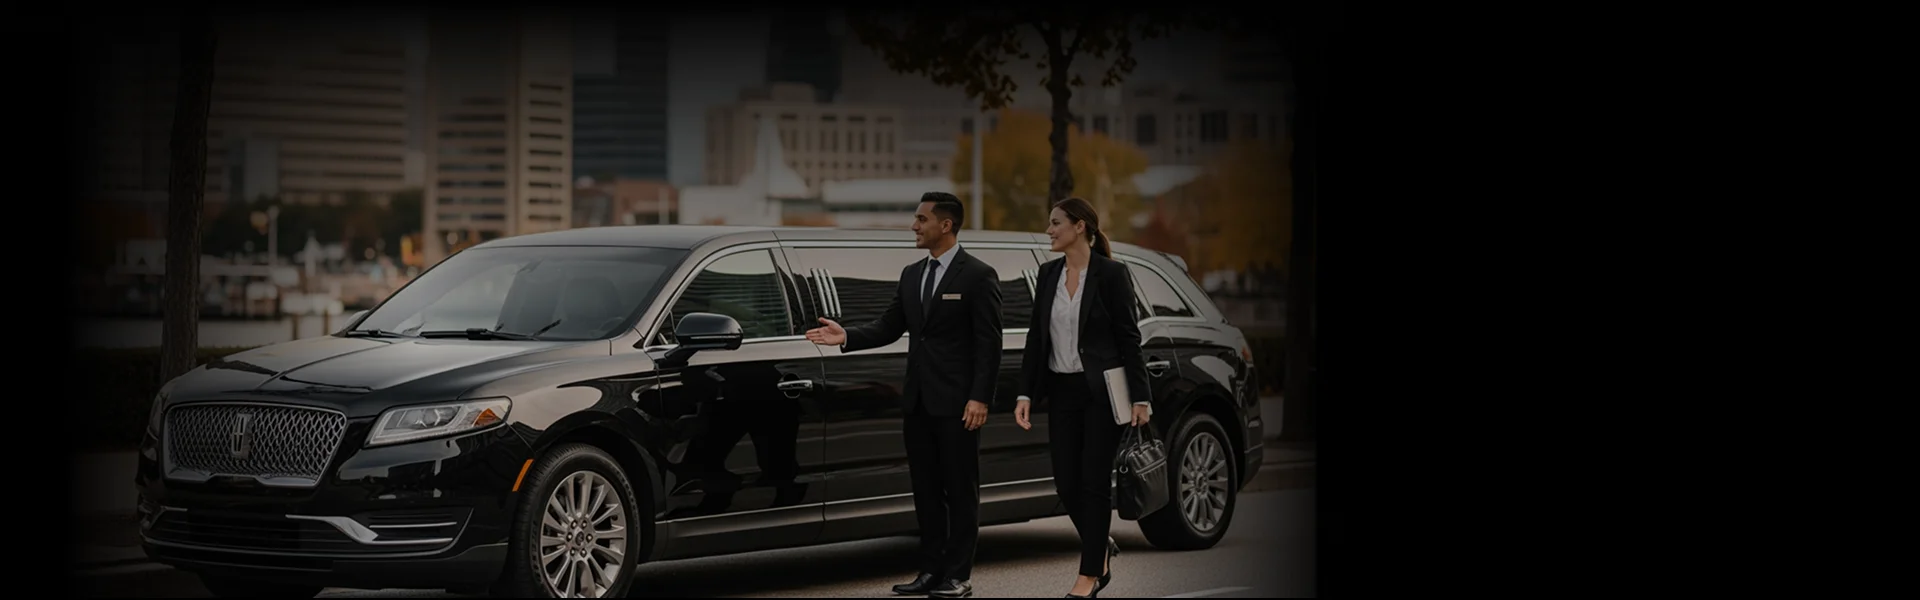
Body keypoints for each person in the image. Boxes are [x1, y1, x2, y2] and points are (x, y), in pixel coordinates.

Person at [806, 192, 1003, 598]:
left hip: (958, 405)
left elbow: (989, 344)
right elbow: (889, 325)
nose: (914, 226)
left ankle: (957, 575)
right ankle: (930, 571)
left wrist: (979, 397)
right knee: (926, 491)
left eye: (921, 219)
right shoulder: (912, 274)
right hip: (917, 403)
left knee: (960, 491)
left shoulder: (978, 276)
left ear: (945, 225)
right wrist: (847, 336)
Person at [1012, 197, 1152, 598]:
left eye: (1056, 223)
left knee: (1093, 482)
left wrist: (1140, 398)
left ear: (1080, 227)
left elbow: (1129, 338)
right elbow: (1037, 338)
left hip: (1102, 394)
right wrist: (1026, 391)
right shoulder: (1048, 273)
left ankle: (1089, 574)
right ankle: (1099, 542)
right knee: (1065, 483)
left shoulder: (1111, 274)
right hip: (1062, 391)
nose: (1050, 230)